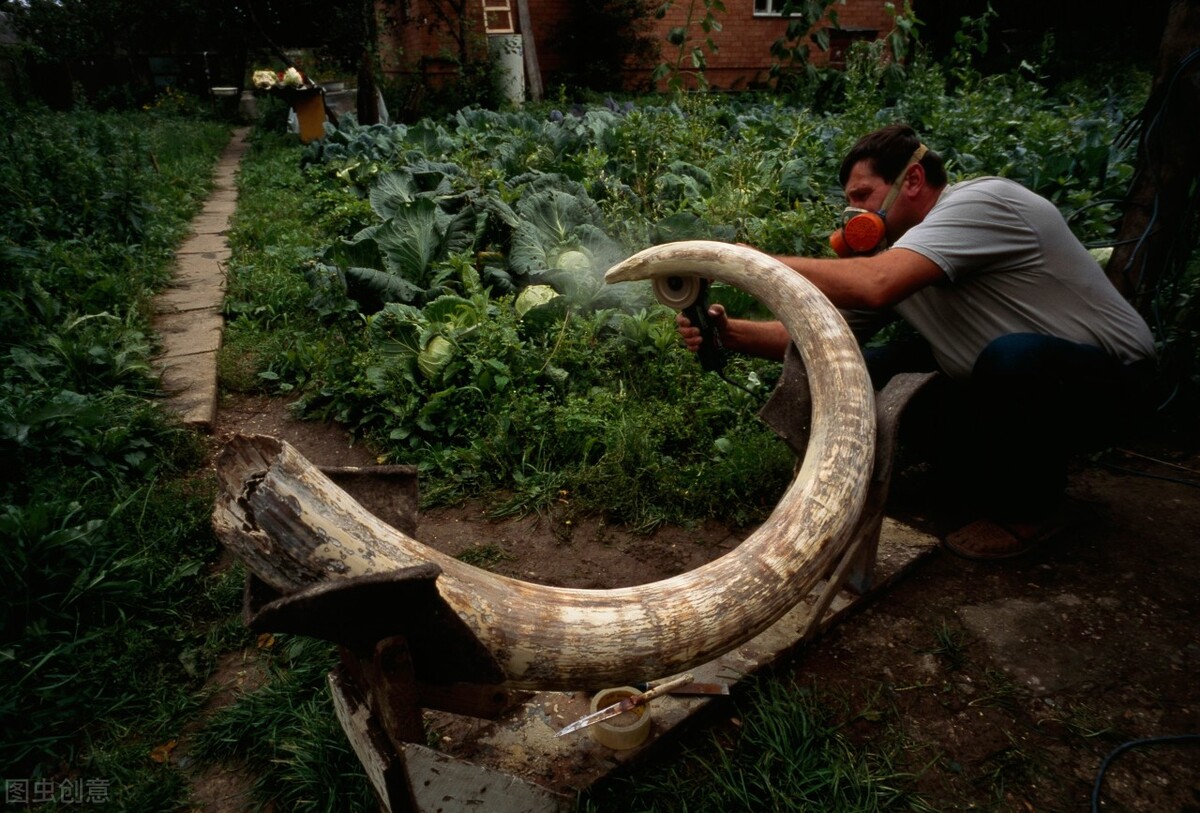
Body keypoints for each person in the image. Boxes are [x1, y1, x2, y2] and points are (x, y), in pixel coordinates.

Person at [677, 123, 1157, 559]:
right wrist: (727, 333)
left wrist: (749, 262)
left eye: (864, 195)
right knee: (867, 368)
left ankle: (1031, 511)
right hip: (1021, 385)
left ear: (911, 180)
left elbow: (876, 282)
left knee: (1014, 359)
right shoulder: (900, 258)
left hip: (1115, 385)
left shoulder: (981, 202)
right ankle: (980, 474)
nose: (855, 213)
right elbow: (816, 334)